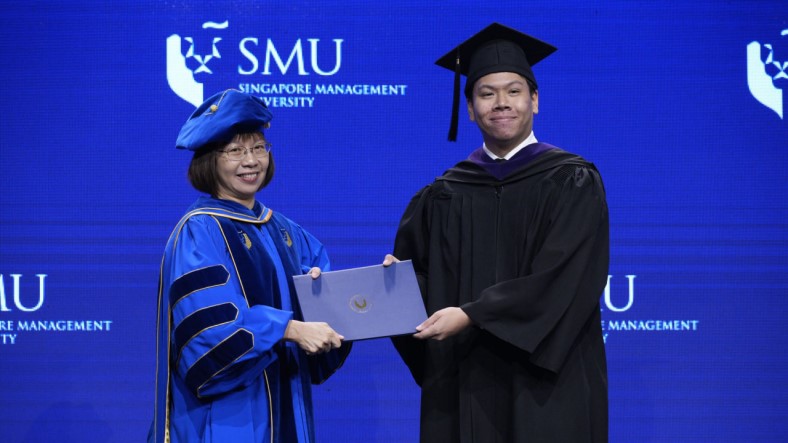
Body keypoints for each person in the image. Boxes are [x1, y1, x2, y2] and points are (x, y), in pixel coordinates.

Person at [384, 23, 609, 442]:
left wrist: (473, 314)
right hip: (465, 381)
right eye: (486, 94)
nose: (501, 104)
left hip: (546, 381)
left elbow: (563, 278)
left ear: (535, 100)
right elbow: (422, 287)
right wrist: (396, 284)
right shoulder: (444, 194)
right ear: (469, 107)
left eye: (513, 91)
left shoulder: (571, 181)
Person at [151, 89, 350, 443]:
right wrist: (287, 329)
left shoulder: (288, 233)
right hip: (228, 418)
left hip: (289, 408)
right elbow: (208, 339)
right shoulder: (200, 231)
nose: (251, 161)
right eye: (236, 151)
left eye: (259, 147)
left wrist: (373, 294)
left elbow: (325, 326)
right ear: (210, 161)